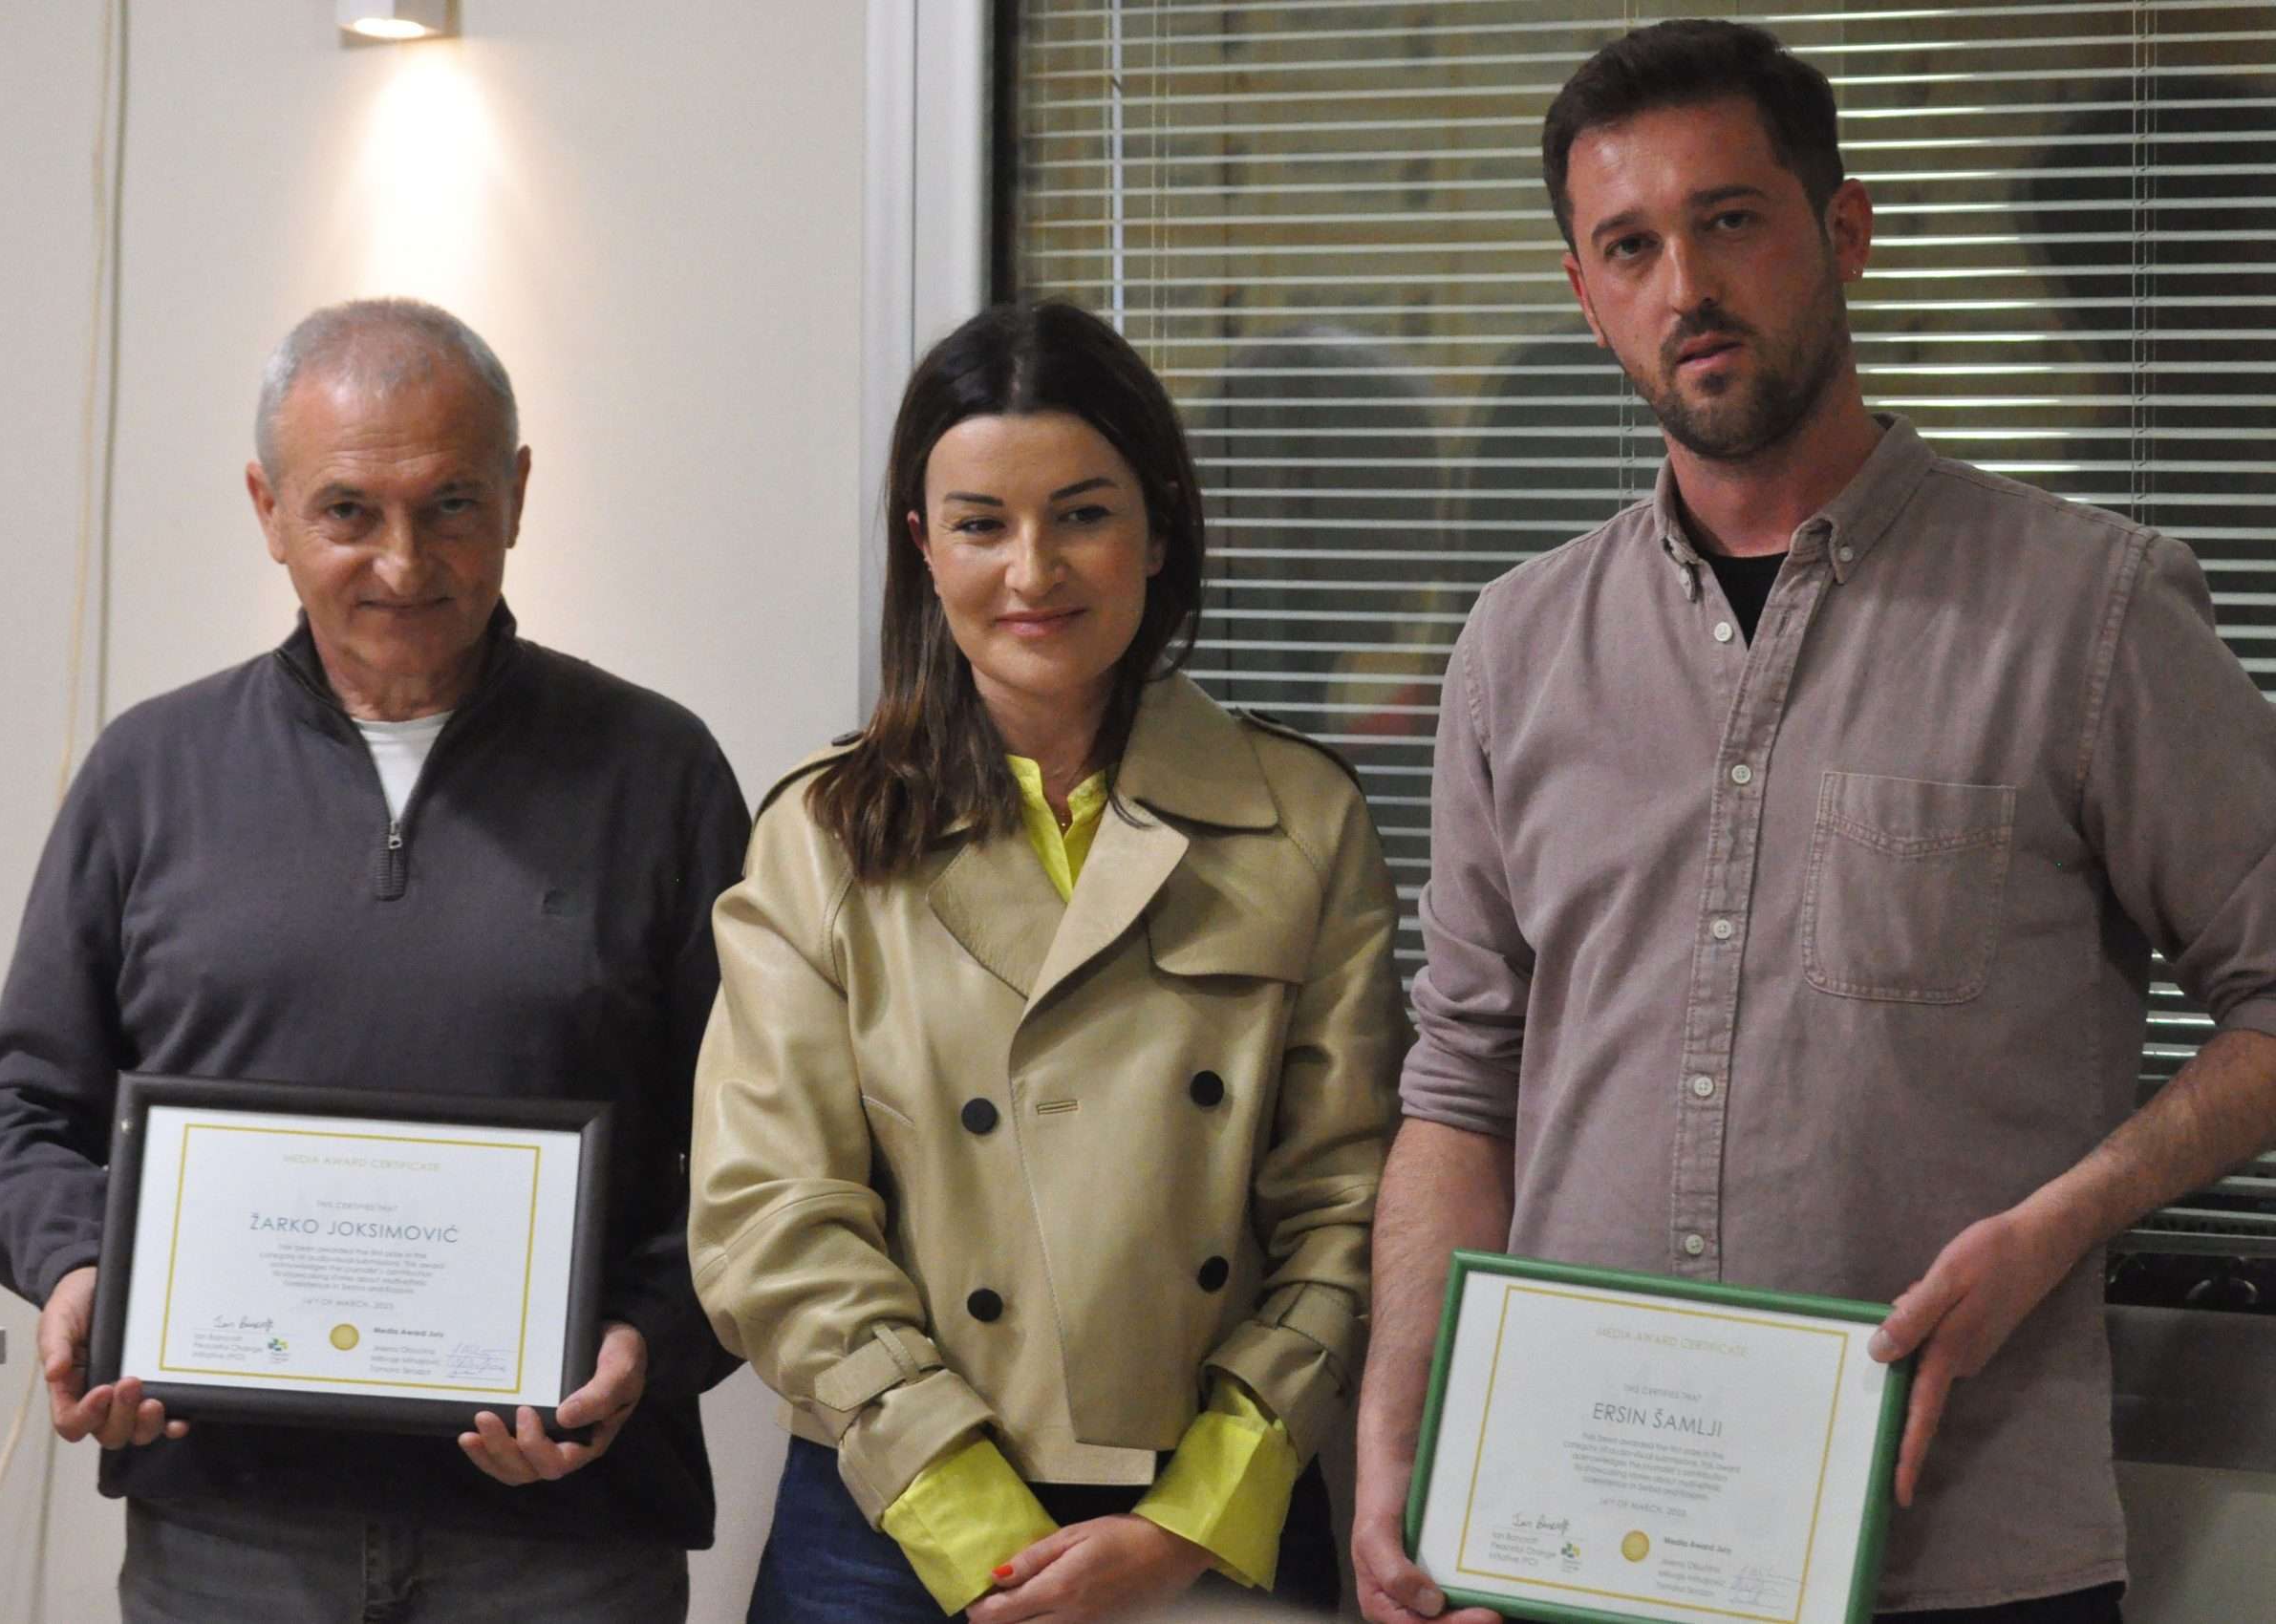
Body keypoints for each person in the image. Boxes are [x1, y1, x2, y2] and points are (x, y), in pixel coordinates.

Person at [1349, 20, 2276, 1624]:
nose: (1684, 288)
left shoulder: (2087, 612)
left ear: (1840, 231)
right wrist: (1392, 1439)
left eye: (1730, 220)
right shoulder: (1516, 645)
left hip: (1964, 1558)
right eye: (1628, 247)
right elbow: (1463, 1078)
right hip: (1581, 1544)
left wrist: (2059, 1227)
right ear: (1586, 298)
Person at [0, 297, 749, 1623]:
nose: (401, 561)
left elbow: (763, 1150)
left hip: (564, 1541)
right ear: (267, 509)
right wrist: (91, 1271)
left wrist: (644, 1346)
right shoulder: (152, 773)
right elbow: (13, 1106)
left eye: (450, 504)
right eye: (346, 513)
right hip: (228, 1534)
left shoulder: (656, 772)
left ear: (519, 494)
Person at [689, 301, 1404, 1621]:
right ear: (923, 545)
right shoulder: (823, 836)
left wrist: (1197, 1514)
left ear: (1160, 524)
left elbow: (1348, 1205)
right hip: (891, 1518)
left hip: (1209, 1511)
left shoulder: (1302, 822)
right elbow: (770, 1217)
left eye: (1082, 513)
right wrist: (971, 1522)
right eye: (980, 524)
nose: (1034, 572)